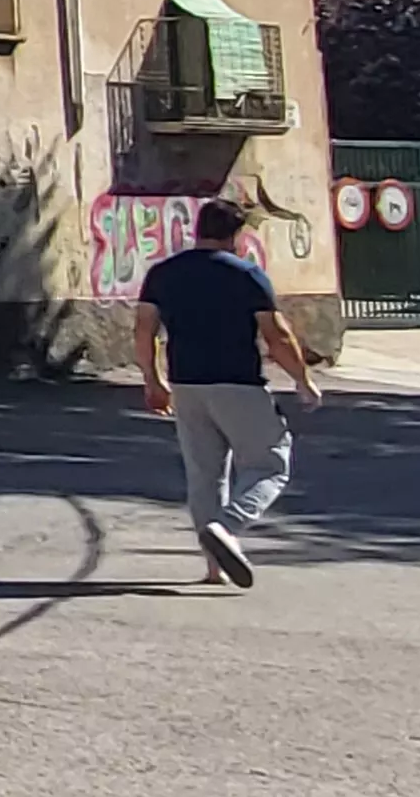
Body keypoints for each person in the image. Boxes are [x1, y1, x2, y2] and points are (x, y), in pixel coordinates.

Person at [135, 198, 324, 587]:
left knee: (205, 475)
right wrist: (302, 380)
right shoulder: (247, 275)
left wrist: (153, 381)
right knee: (271, 465)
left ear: (198, 230)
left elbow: (144, 330)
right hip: (238, 384)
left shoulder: (163, 274)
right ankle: (227, 526)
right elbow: (277, 336)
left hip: (186, 385)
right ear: (235, 236)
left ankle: (213, 568)